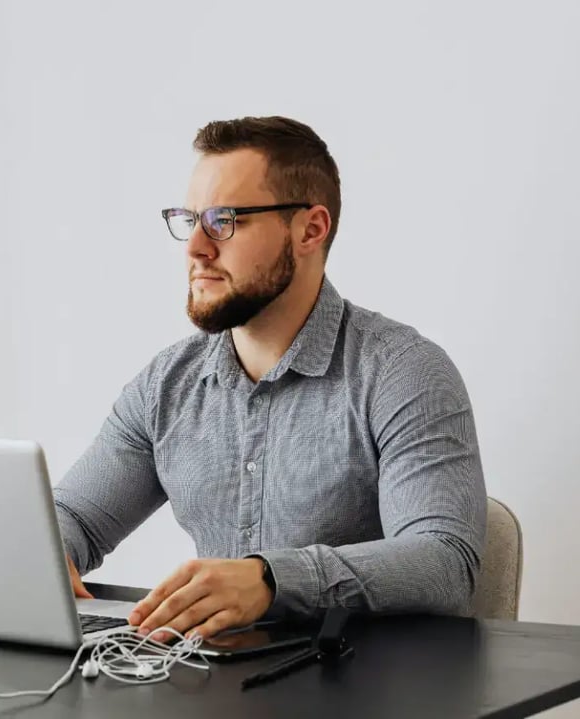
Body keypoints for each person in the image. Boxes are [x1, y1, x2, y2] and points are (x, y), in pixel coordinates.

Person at [53, 116, 486, 641]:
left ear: (310, 229)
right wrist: (48, 552)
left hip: (365, 687)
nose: (195, 247)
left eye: (225, 219)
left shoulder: (402, 372)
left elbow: (445, 560)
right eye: (189, 219)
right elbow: (74, 515)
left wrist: (271, 579)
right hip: (213, 684)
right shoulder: (167, 385)